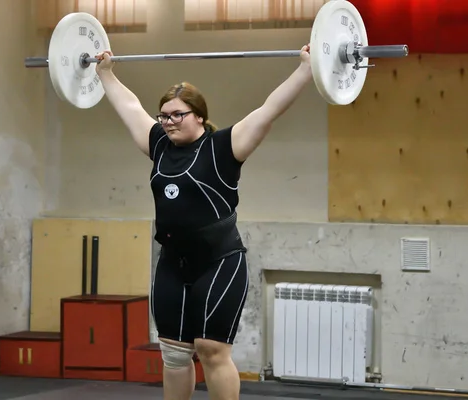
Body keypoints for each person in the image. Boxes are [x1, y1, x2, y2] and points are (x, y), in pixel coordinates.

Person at [95, 45, 313, 400]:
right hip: (171, 263)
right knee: (174, 355)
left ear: (198, 116)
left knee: (211, 350)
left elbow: (269, 110)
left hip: (220, 262)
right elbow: (130, 108)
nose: (167, 122)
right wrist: (106, 73)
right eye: (163, 116)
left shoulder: (224, 148)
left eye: (177, 115)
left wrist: (305, 69)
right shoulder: (159, 146)